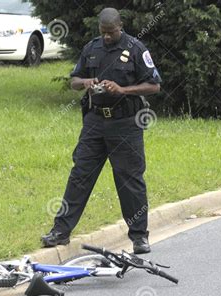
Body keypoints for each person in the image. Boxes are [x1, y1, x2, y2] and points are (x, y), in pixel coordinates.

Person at [41, 7, 161, 254]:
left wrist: (123, 90)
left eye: (111, 32)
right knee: (80, 176)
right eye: (103, 33)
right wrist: (85, 82)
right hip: (95, 123)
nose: (107, 37)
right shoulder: (92, 48)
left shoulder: (136, 49)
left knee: (129, 181)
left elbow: (154, 85)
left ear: (120, 26)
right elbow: (74, 80)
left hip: (125, 125)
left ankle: (139, 237)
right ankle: (60, 232)